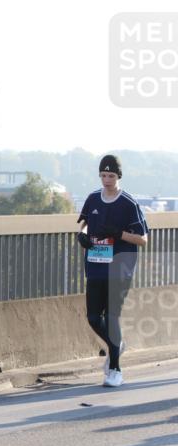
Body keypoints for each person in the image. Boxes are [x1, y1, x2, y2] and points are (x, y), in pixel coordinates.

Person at [76, 154, 149, 387]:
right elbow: (85, 225)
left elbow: (143, 239)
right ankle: (117, 346)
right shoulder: (92, 199)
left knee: (112, 316)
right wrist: (83, 237)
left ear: (119, 176)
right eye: (103, 175)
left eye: (111, 175)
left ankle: (115, 369)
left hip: (120, 267)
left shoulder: (128, 203)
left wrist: (119, 234)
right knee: (93, 317)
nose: (107, 180)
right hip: (96, 265)